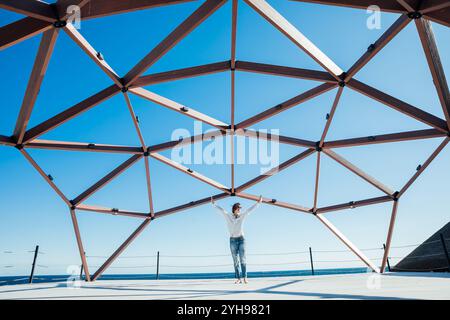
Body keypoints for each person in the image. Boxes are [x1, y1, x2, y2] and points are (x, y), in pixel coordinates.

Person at [211, 195, 263, 284]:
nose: (240, 210)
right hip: (232, 240)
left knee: (243, 259)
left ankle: (245, 277)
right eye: (238, 208)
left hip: (241, 240)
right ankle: (238, 278)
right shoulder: (228, 216)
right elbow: (221, 210)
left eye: (240, 208)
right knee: (235, 260)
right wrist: (213, 204)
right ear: (234, 209)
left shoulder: (242, 216)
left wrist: (258, 202)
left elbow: (249, 210)